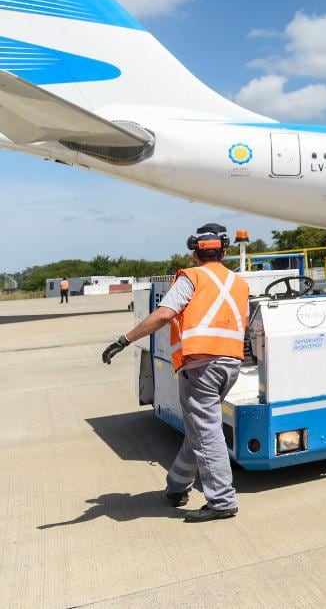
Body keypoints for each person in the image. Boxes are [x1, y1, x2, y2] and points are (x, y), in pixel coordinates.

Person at [100, 223, 249, 522]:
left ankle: (221, 501)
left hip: (201, 364)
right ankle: (176, 487)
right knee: (200, 428)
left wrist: (124, 340)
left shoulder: (191, 277)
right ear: (226, 251)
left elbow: (165, 313)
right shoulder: (238, 282)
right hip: (230, 363)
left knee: (206, 431)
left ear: (195, 252)